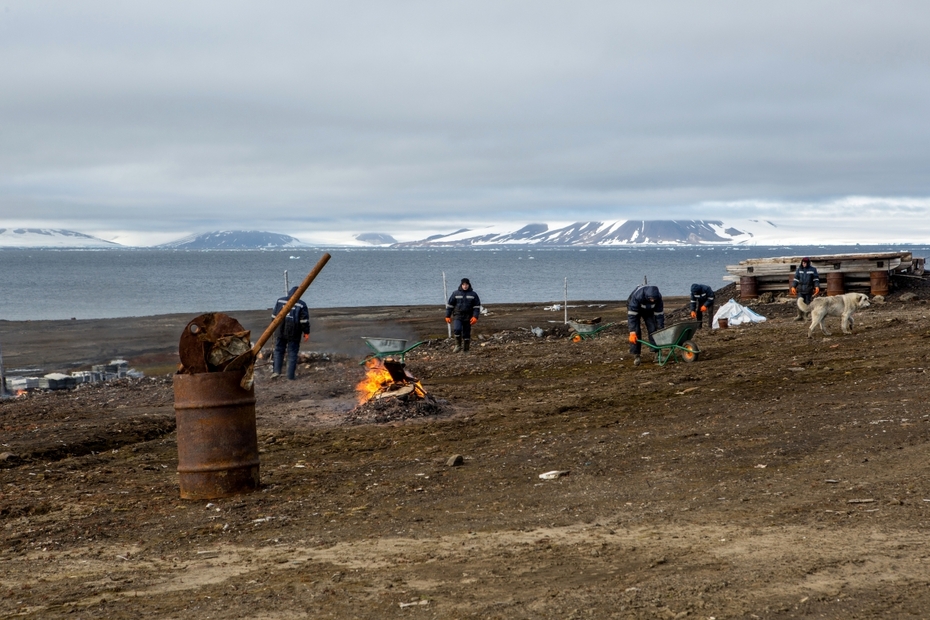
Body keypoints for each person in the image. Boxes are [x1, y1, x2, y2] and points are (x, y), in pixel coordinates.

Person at [271, 286, 310, 379]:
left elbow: (273, 316)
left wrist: (273, 327)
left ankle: (276, 372)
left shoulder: (280, 301)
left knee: (278, 350)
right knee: (292, 353)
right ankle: (290, 376)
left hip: (280, 329)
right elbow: (304, 321)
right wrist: (306, 332)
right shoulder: (301, 304)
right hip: (294, 331)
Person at [628, 284, 664, 366]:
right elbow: (632, 316)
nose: (652, 300)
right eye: (651, 299)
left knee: (653, 328)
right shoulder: (637, 297)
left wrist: (661, 328)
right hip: (634, 309)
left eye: (654, 299)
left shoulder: (658, 298)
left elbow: (659, 314)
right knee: (636, 332)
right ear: (646, 296)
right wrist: (632, 331)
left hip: (648, 311)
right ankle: (636, 355)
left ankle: (656, 353)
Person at [445, 278, 481, 353]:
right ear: (461, 285)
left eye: (466, 285)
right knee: (457, 329)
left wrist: (475, 317)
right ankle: (458, 345)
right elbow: (450, 305)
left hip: (468, 317)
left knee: (466, 333)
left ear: (469, 285)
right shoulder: (455, 293)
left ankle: (466, 349)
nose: (465, 286)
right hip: (458, 315)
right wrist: (447, 316)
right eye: (463, 284)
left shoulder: (473, 294)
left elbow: (476, 307)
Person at [791, 257, 821, 321]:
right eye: (803, 263)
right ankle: (799, 315)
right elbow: (796, 279)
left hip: (808, 289)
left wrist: (817, 286)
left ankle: (805, 315)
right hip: (800, 289)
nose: (804, 264)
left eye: (805, 263)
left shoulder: (813, 270)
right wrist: (793, 286)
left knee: (807, 302)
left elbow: (816, 279)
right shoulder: (799, 269)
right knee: (799, 302)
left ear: (808, 263)